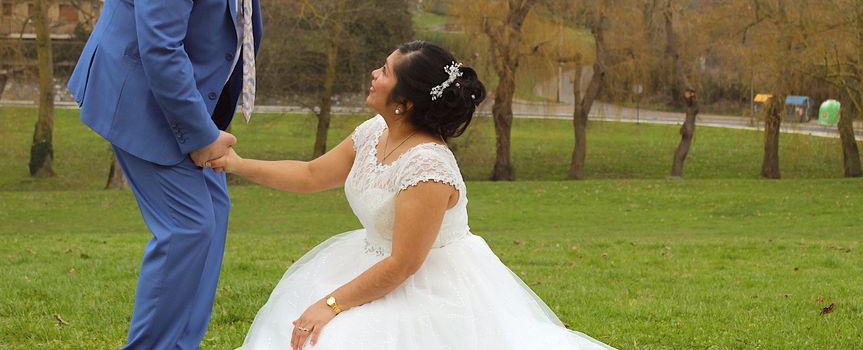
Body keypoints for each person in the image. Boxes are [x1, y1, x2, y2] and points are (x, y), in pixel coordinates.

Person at [205, 41, 616, 350]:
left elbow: (403, 264)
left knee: (337, 337)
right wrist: (238, 164)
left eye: (384, 70)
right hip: (369, 262)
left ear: (403, 102)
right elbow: (312, 174)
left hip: (429, 282)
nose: (373, 73)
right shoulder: (373, 133)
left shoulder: (428, 167)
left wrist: (330, 304)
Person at [66, 0, 309, 349]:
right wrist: (200, 135)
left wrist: (212, 123)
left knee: (212, 219)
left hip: (189, 107)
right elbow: (161, 50)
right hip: (143, 103)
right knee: (188, 230)